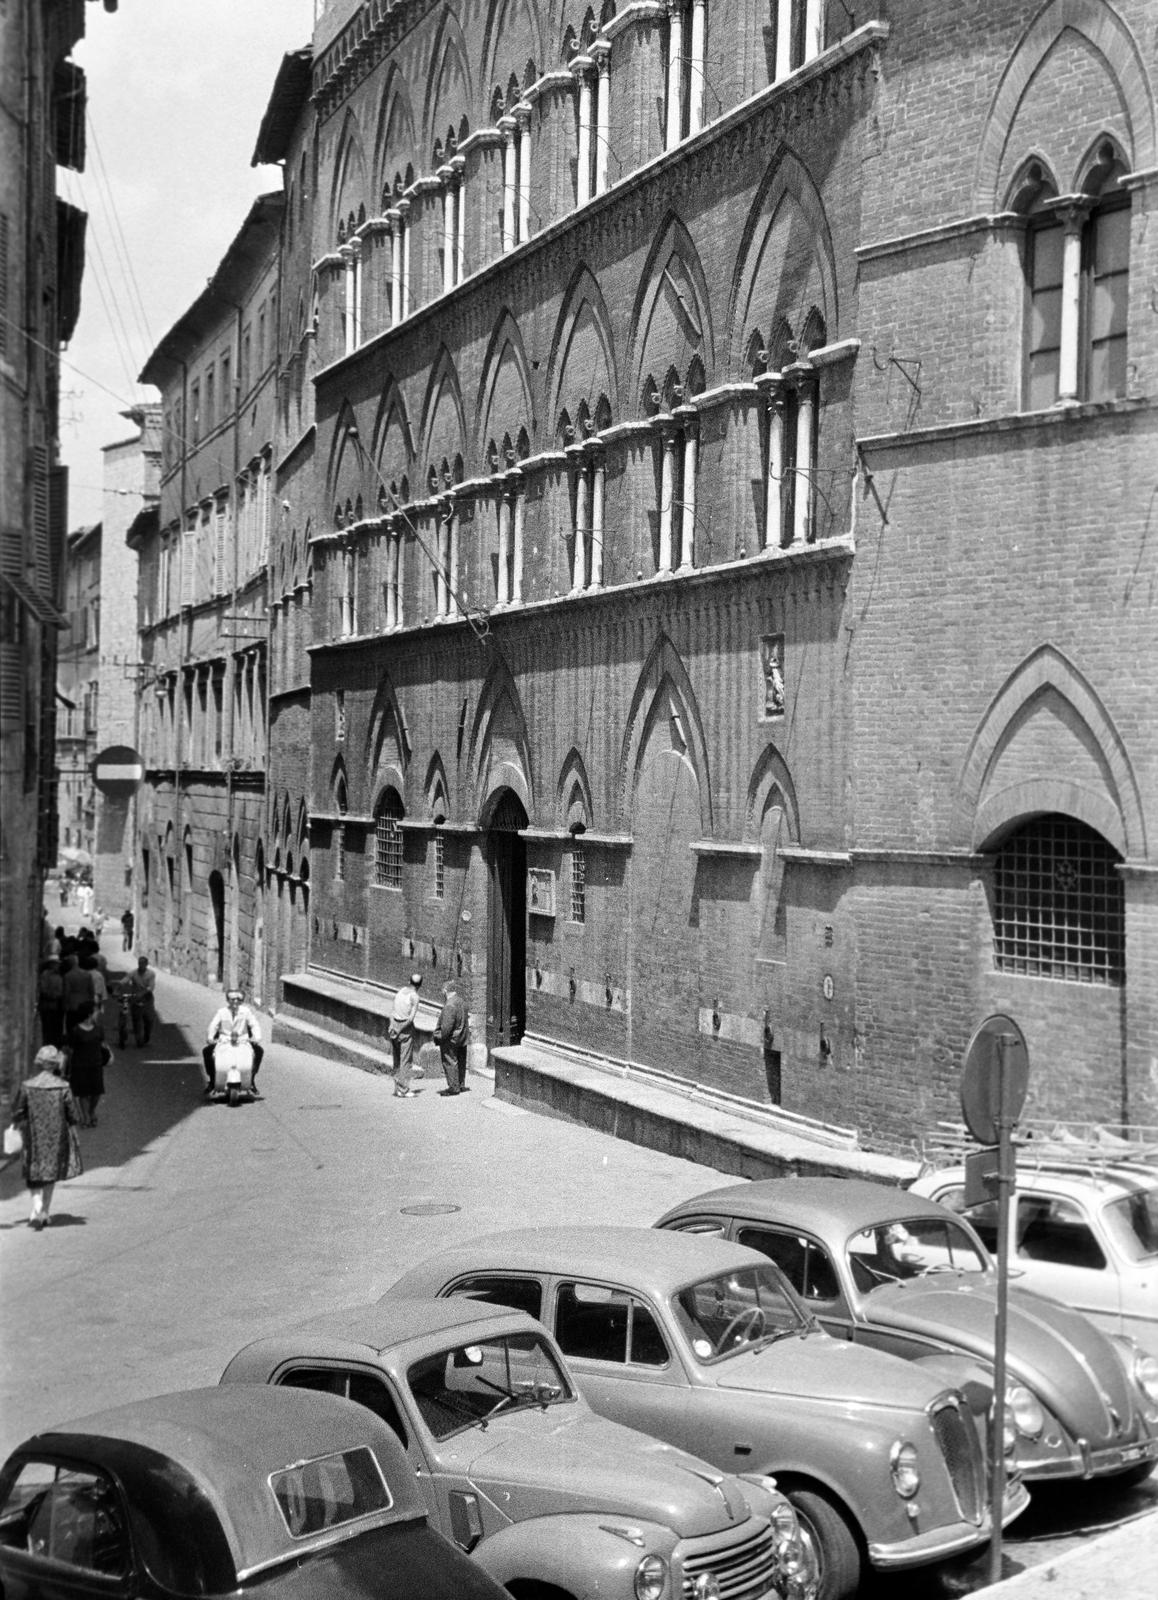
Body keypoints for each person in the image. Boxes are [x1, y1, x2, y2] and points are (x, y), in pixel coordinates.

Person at [10, 1046, 83, 1229]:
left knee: (33, 1171)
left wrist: (18, 1123)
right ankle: (45, 1211)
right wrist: (74, 1134)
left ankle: (36, 1206)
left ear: (39, 1063)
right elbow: (72, 1114)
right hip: (56, 1135)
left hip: (33, 1134)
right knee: (50, 1173)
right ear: (55, 1065)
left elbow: (18, 1111)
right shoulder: (63, 1086)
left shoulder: (27, 1086)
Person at [203, 989, 264, 1095]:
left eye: (238, 999)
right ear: (227, 1000)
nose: (235, 1001)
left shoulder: (246, 1011)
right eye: (232, 999)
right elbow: (214, 1025)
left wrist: (257, 1037)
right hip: (224, 1040)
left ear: (241, 1001)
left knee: (258, 1051)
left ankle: (251, 1079)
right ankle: (213, 1080)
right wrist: (210, 1037)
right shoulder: (221, 1012)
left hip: (242, 1040)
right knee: (207, 1052)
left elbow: (254, 1024)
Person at [65, 1003, 109, 1127]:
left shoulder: (99, 1029)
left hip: (96, 1064)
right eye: (95, 1012)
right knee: (83, 1093)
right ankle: (85, 1117)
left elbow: (102, 1044)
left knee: (97, 1092)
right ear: (89, 1015)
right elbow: (71, 1048)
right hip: (80, 1065)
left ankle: (91, 1111)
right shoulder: (76, 1031)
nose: (97, 1014)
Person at [433, 978, 470, 1094]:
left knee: (450, 1061)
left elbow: (446, 1028)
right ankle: (460, 1084)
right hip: (462, 1037)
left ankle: (453, 1087)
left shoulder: (449, 1005)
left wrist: (439, 1037)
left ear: (445, 990)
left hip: (452, 1039)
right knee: (461, 1061)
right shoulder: (461, 1001)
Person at [389, 973, 423, 1099]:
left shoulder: (401, 991)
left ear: (409, 981)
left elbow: (392, 1010)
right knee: (406, 1060)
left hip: (394, 1025)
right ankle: (404, 1089)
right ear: (420, 985)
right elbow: (410, 1019)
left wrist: (392, 1026)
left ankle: (397, 1088)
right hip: (404, 1029)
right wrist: (400, 1029)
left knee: (396, 1059)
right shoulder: (415, 997)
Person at [60, 954, 95, 1034]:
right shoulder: (87, 974)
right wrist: (91, 1003)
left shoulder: (68, 976)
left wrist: (64, 1005)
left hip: (72, 1005)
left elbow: (66, 992)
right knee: (84, 1026)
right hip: (85, 1004)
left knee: (71, 1026)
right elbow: (91, 990)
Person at [127, 955, 156, 1044]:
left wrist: (142, 993)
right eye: (139, 963)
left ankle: (147, 1036)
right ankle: (138, 1039)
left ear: (146, 964)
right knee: (136, 1018)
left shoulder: (151, 974)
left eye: (143, 963)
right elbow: (126, 979)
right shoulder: (134, 972)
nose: (140, 965)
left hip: (147, 999)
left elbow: (151, 987)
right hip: (135, 998)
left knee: (148, 1019)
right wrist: (119, 984)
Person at [37, 958, 65, 1047]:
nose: (57, 966)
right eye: (55, 964)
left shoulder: (60, 975)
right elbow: (43, 989)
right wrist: (54, 996)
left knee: (55, 1028)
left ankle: (54, 1046)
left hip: (57, 1006)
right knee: (47, 1028)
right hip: (48, 1005)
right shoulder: (45, 975)